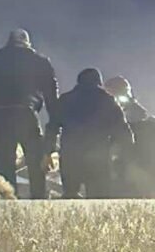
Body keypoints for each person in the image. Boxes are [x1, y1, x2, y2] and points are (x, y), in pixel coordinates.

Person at [0, 29, 58, 199]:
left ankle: (9, 203)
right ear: (27, 43)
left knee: (5, 165)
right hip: (27, 115)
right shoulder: (40, 62)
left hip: (1, 116)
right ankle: (38, 202)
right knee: (36, 164)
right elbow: (52, 97)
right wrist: (53, 131)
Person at [45, 68, 133, 199]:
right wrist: (123, 151)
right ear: (98, 82)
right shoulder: (107, 100)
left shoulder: (65, 99)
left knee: (70, 195)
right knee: (99, 198)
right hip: (98, 157)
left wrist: (48, 151)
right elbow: (122, 129)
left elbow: (52, 127)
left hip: (70, 155)